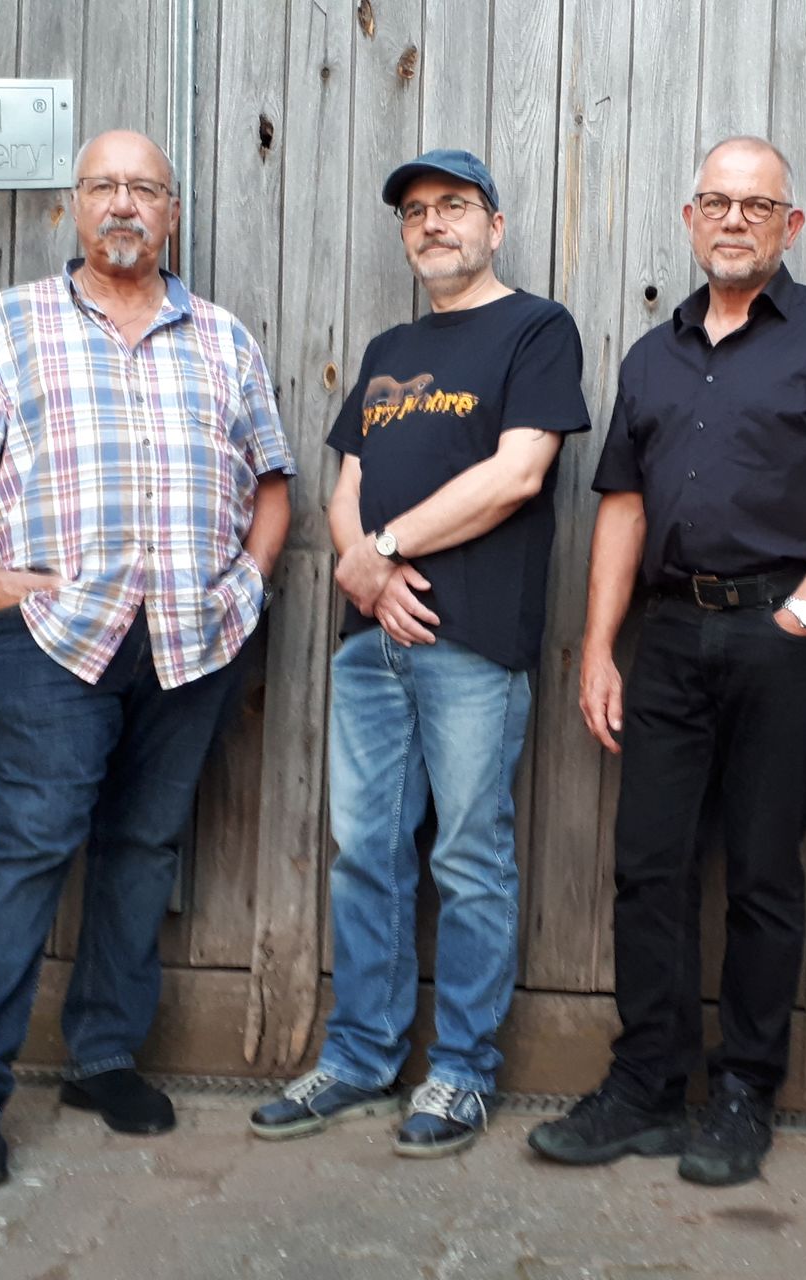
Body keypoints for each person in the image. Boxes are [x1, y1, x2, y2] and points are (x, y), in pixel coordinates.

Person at [527, 136, 806, 1187]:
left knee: (761, 871)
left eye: (758, 205)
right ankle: (647, 1087)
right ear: (690, 217)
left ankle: (745, 1091)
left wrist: (804, 608)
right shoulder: (651, 357)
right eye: (717, 201)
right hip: (666, 637)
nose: (736, 220)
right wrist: (600, 647)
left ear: (789, 225)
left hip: (777, 639)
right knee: (647, 866)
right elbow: (623, 505)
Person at [0, 129, 295, 1188]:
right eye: (104, 186)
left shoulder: (223, 338)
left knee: (144, 844)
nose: (124, 203)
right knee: (29, 842)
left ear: (171, 212)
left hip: (191, 637)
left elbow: (271, 479)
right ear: (75, 205)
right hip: (49, 634)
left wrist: (249, 583)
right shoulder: (8, 323)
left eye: (144, 188)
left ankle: (104, 1055)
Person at [248, 149, 590, 1158]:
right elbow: (346, 484)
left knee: (469, 857)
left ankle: (462, 1073)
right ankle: (360, 1056)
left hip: (471, 640)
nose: (432, 223)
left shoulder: (537, 329)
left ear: (493, 224)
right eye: (415, 212)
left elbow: (517, 475)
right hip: (371, 643)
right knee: (367, 854)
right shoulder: (389, 347)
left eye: (453, 206)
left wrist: (385, 552)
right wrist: (363, 569)